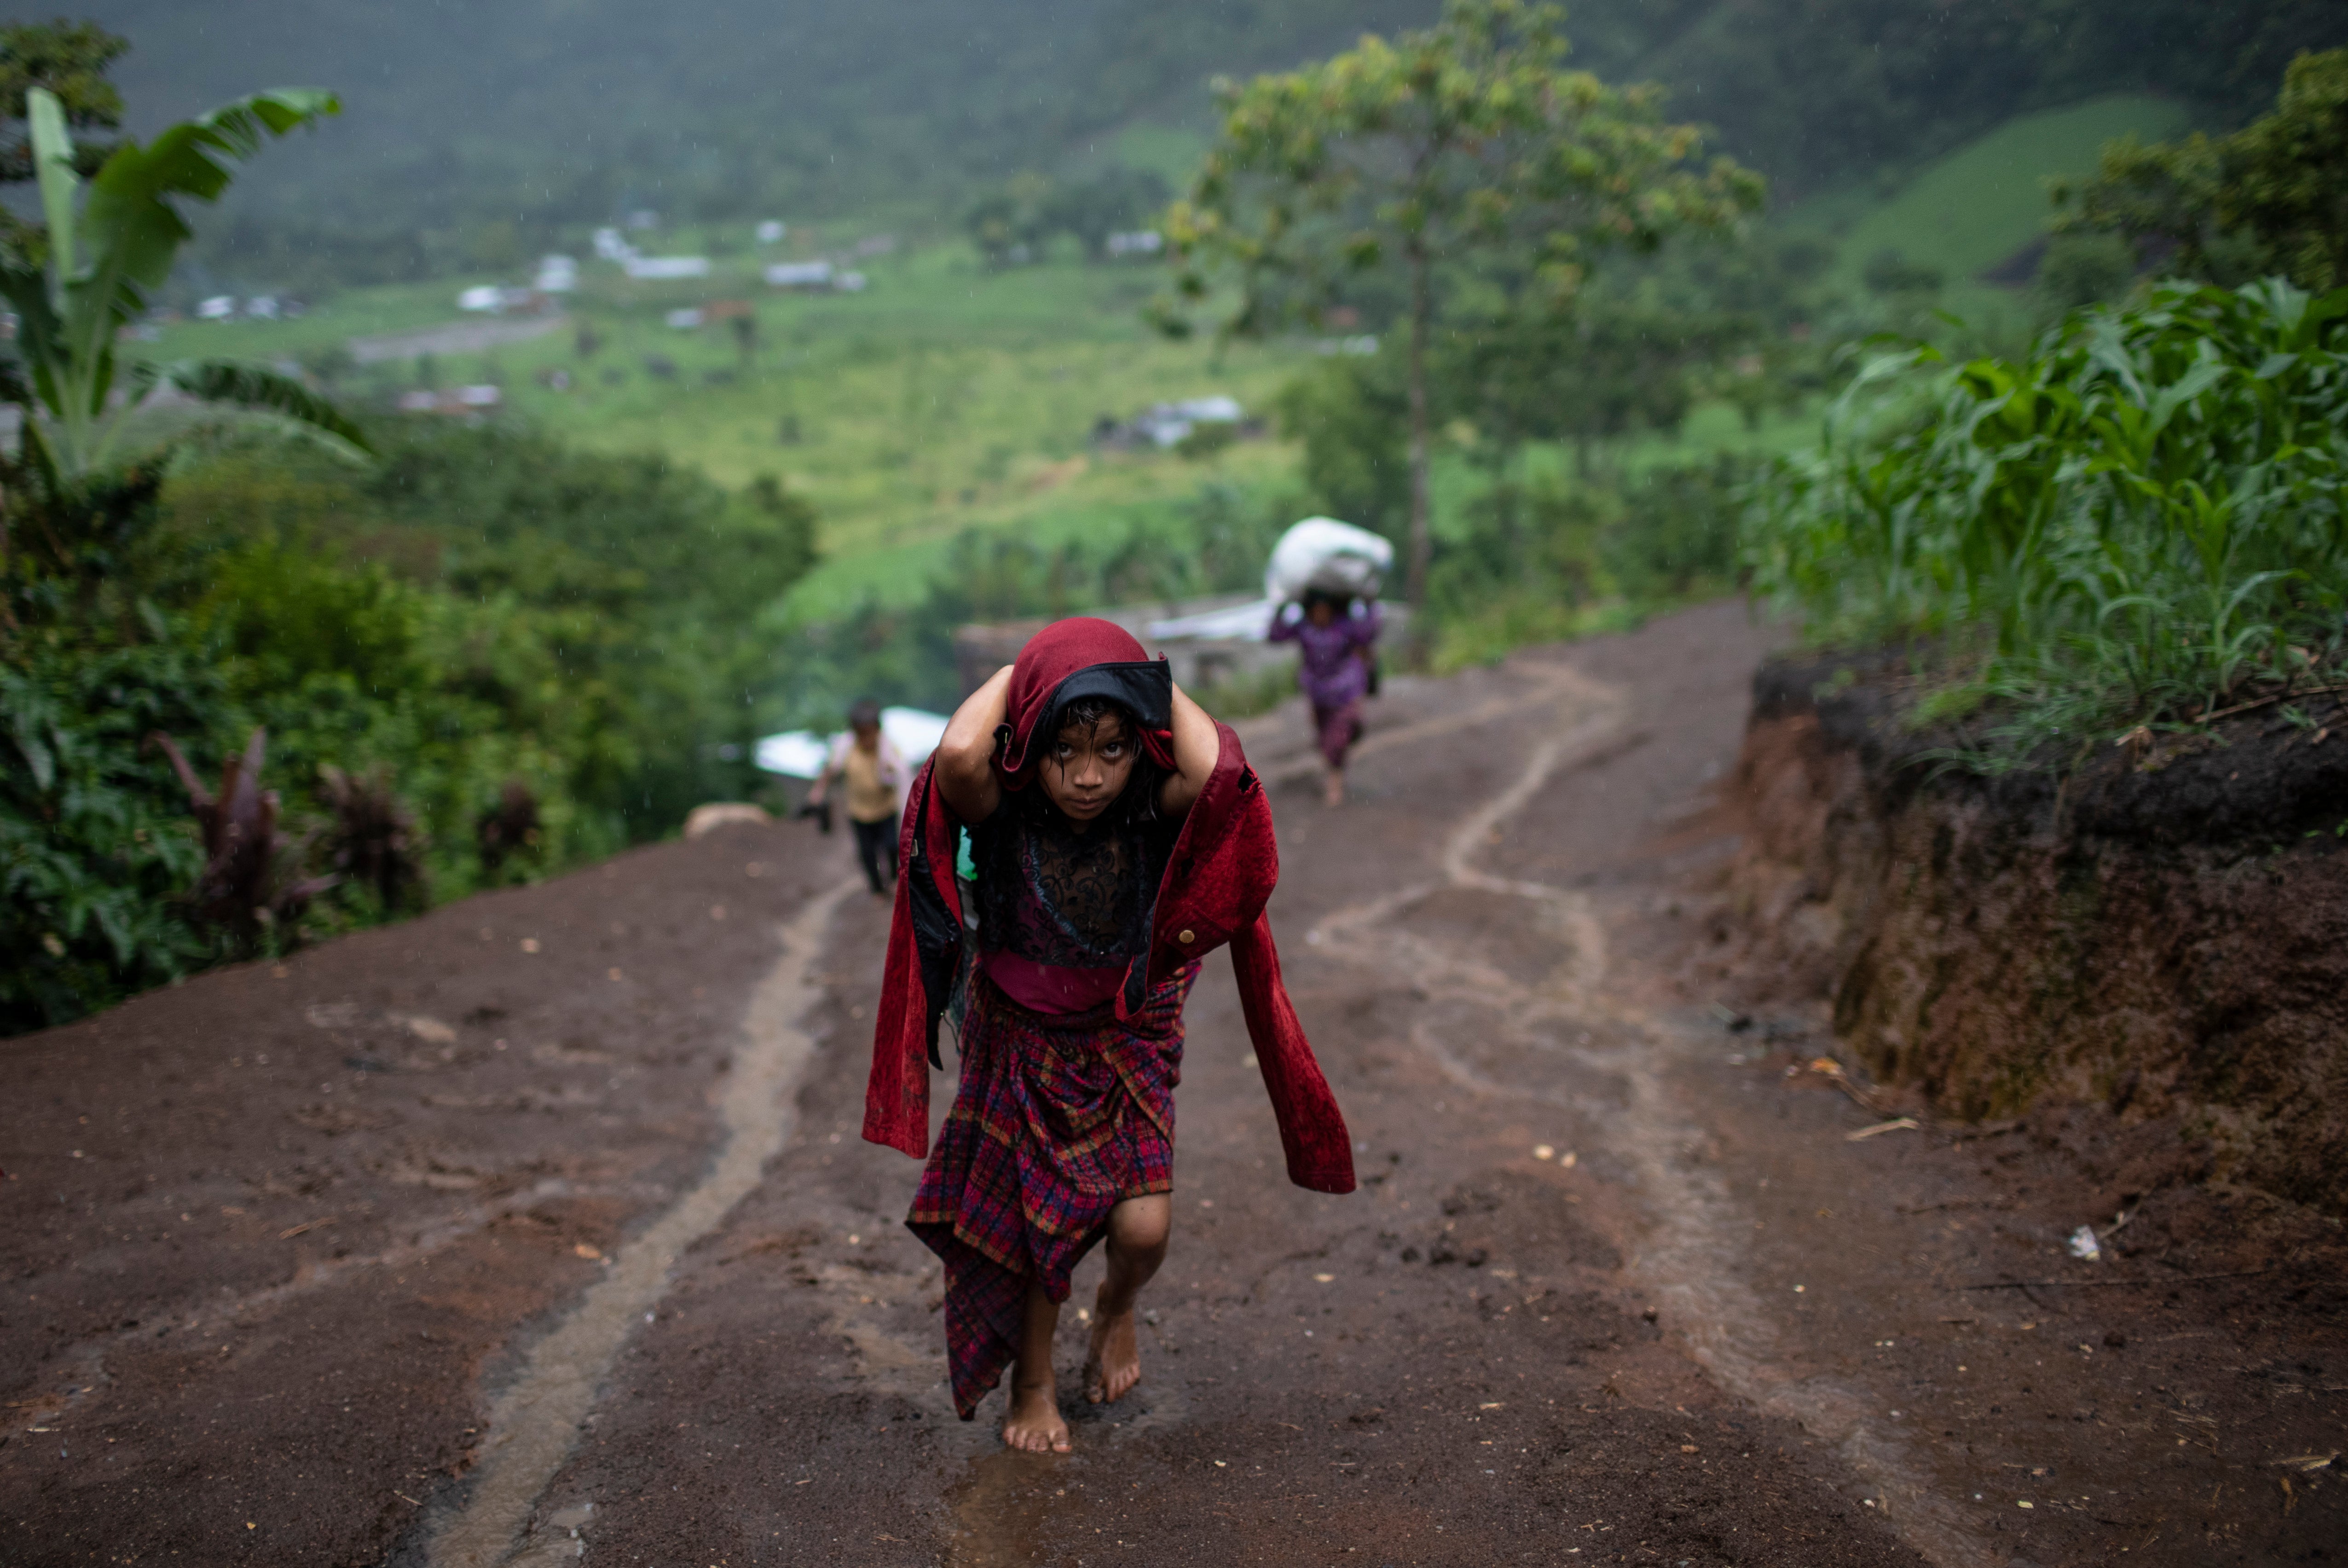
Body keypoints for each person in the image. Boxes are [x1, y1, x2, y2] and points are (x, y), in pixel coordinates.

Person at [863, 617, 1355, 1453]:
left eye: (1111, 748)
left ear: (1141, 745)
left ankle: (1118, 1307)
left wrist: (1136, 675)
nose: (1087, 776)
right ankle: (1033, 1382)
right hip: (1021, 1040)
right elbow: (953, 757)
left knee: (1141, 1230)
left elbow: (1216, 770)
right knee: (1036, 1229)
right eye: (1064, 750)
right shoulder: (1004, 806)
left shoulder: (1150, 809)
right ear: (1030, 746)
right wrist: (1033, 665)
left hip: (1127, 1037)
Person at [1268, 589, 1382, 806]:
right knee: (1325, 740)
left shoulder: (1345, 627)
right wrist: (1280, 608)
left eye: (1325, 611)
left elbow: (1369, 632)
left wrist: (1370, 605)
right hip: (1318, 695)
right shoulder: (1304, 629)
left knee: (1337, 739)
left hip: (1346, 691)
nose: (1321, 616)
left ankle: (1334, 785)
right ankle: (1337, 767)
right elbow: (1275, 635)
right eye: (1316, 611)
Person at [807, 699, 908, 895]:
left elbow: (903, 774)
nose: (866, 740)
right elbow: (830, 771)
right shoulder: (845, 749)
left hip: (886, 809)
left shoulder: (888, 750)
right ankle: (878, 889)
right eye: (862, 735)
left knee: (891, 846)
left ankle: (895, 878)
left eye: (870, 734)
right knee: (867, 853)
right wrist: (817, 793)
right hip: (859, 812)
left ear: (878, 730)